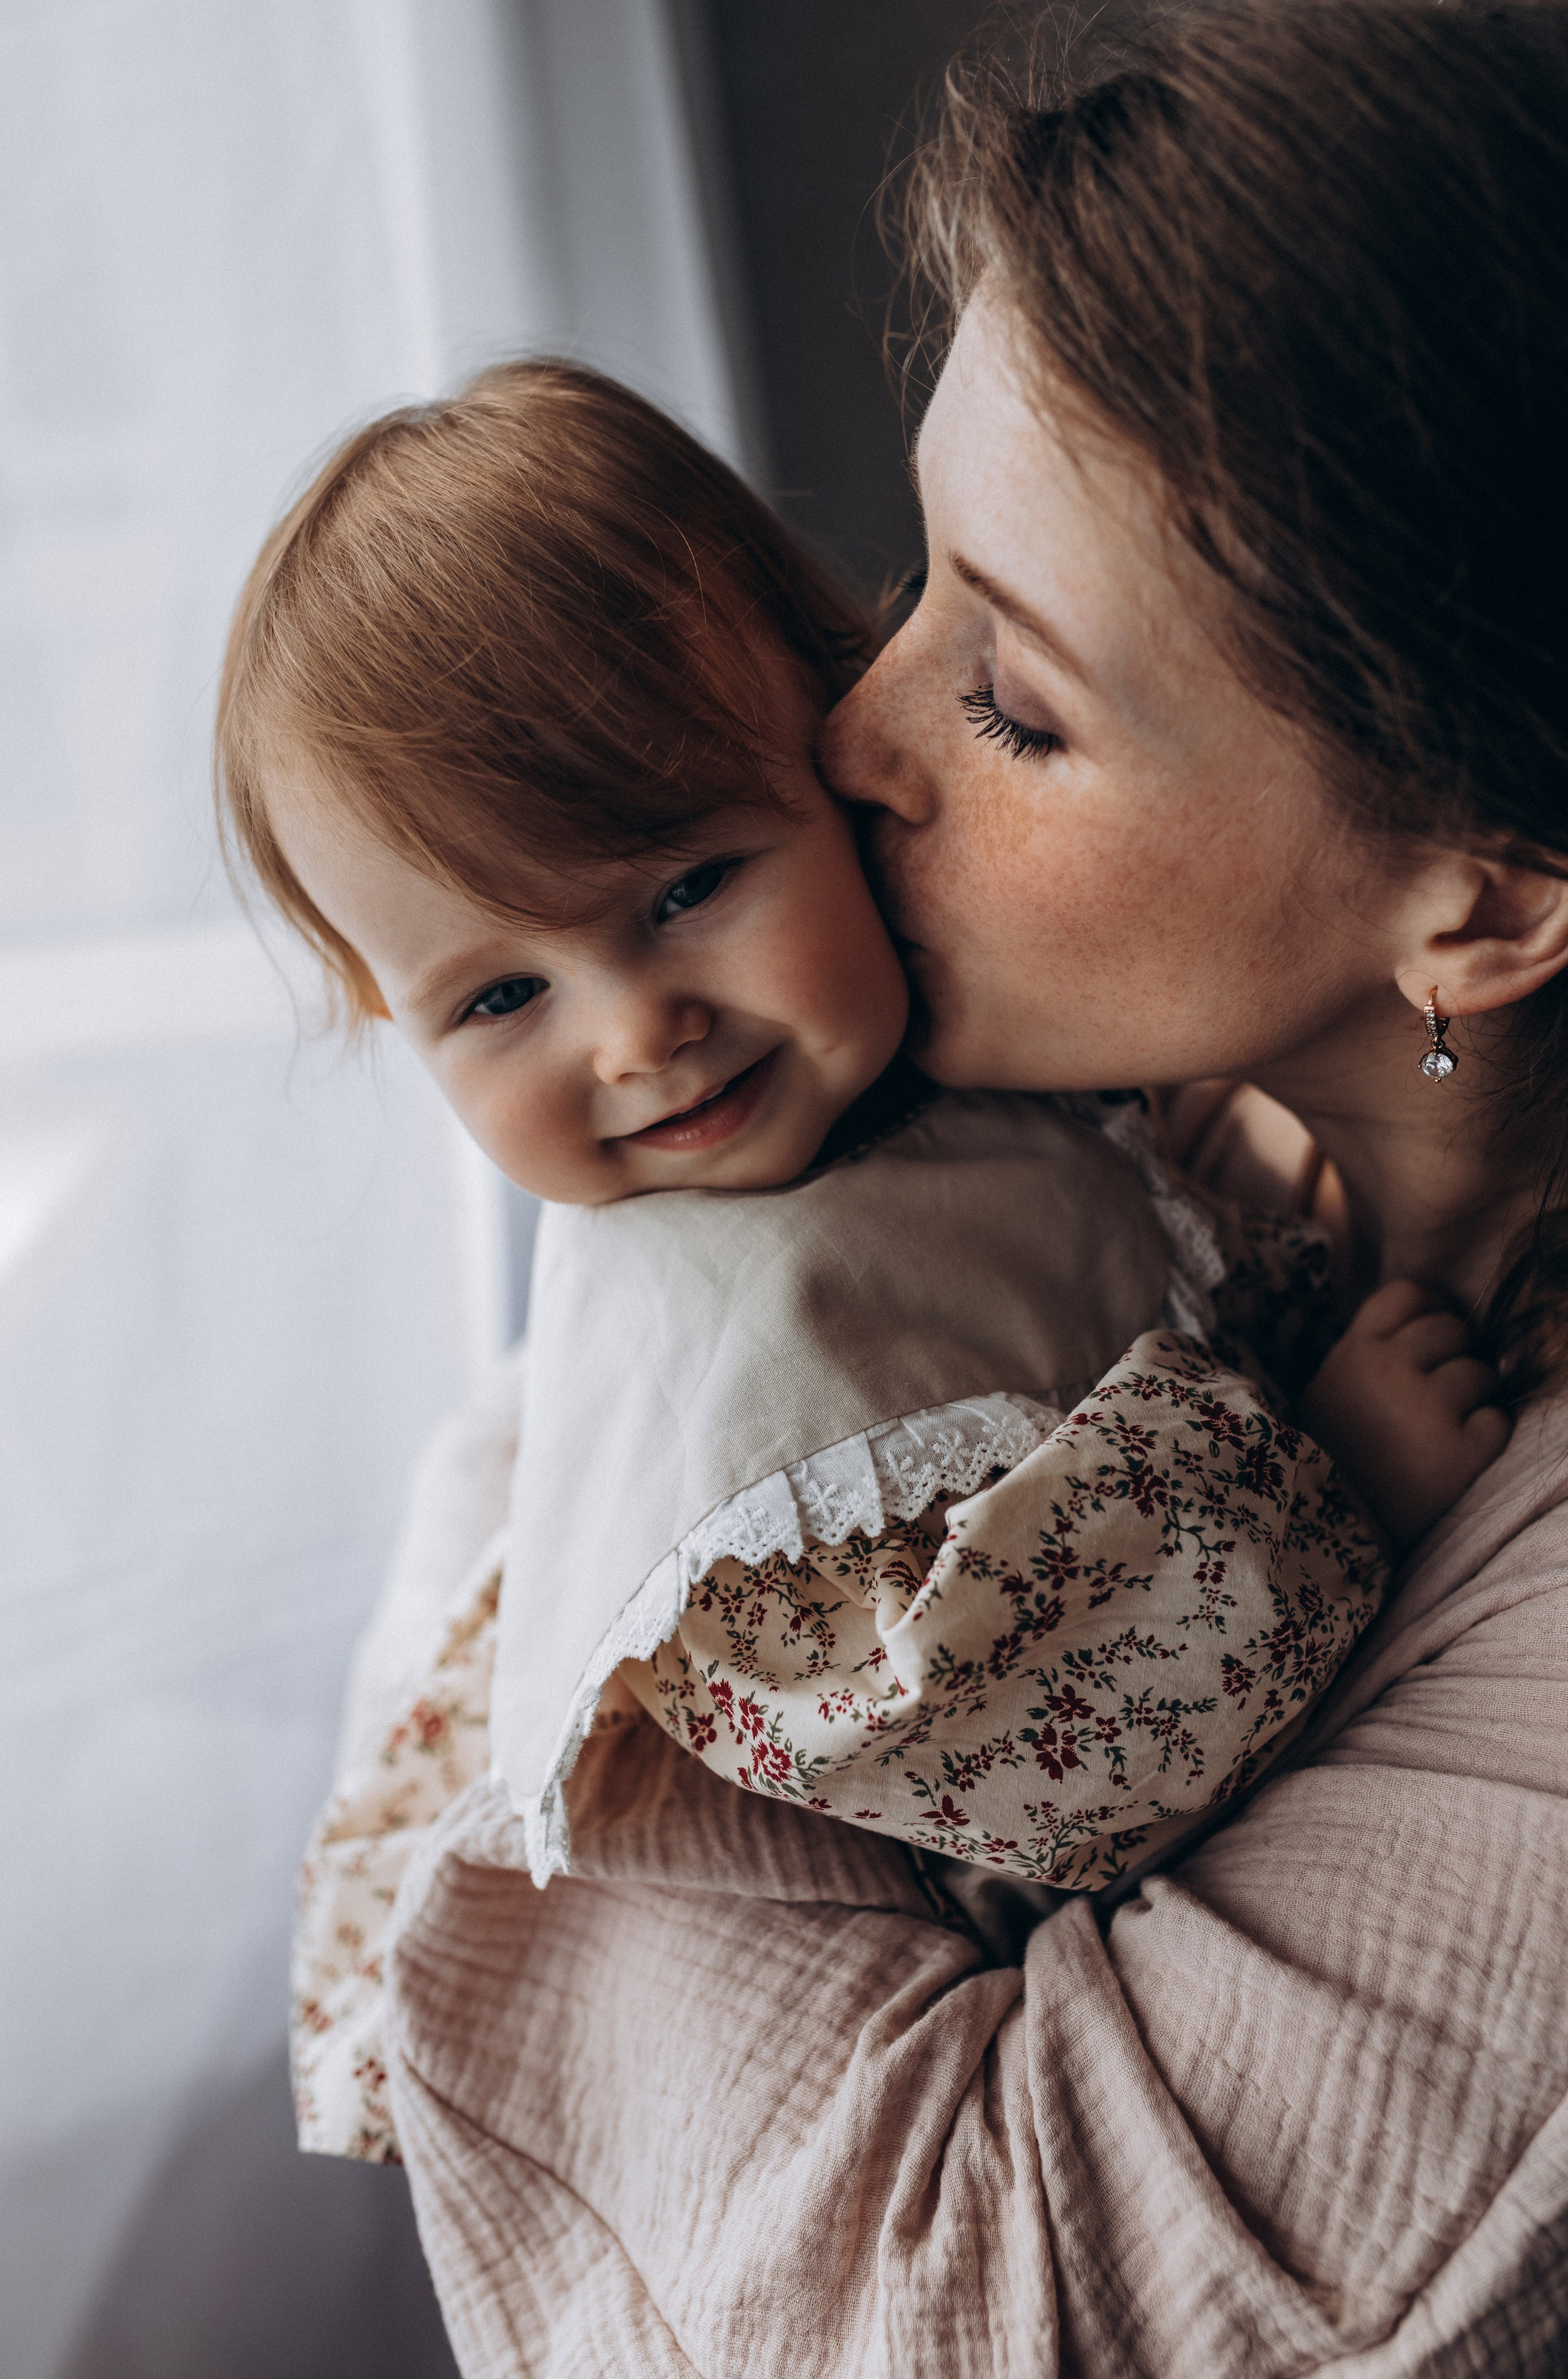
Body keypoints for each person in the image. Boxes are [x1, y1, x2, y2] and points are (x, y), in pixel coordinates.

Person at [364, 4, 1568, 2372]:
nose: (840, 738)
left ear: (1490, 908)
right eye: (909, 579)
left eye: (1012, 702)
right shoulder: (1126, 1150)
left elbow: (907, 2304)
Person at [214, 361, 1483, 2163]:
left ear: (833, 749)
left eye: (685, 889)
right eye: (500, 998)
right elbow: (1015, 1730)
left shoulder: (954, 1068)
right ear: (388, 1018)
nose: (638, 1036)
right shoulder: (732, 1363)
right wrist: (1330, 1477)